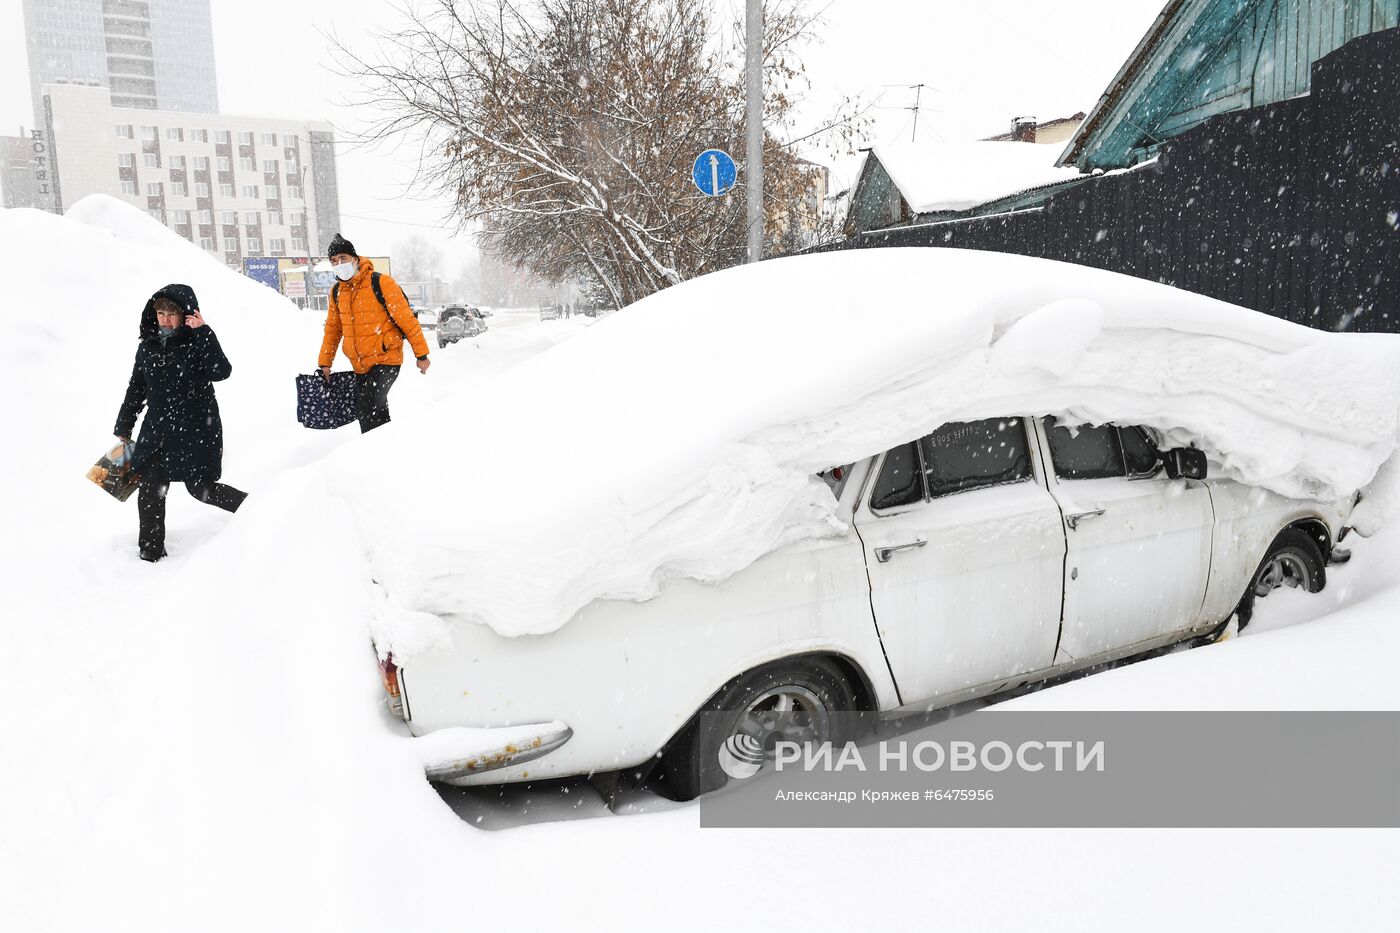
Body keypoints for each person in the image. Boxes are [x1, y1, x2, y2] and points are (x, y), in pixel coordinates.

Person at [114, 284, 247, 563]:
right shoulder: (147, 348)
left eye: (171, 314)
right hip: (157, 431)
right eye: (160, 313)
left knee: (201, 489)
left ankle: (258, 508)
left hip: (195, 430)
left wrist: (203, 331)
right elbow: (136, 388)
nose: (164, 319)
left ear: (185, 315)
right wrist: (124, 425)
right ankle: (149, 552)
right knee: (151, 489)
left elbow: (221, 371)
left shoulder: (196, 341)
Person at [317, 233, 431, 432]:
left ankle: (371, 452)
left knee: (366, 407)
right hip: (360, 364)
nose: (339, 264)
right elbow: (333, 330)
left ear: (355, 258)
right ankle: (383, 449)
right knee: (375, 412)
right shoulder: (337, 292)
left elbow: (408, 321)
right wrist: (325, 363)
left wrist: (421, 355)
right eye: (334, 261)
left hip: (387, 359)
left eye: (342, 258)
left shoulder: (381, 283)